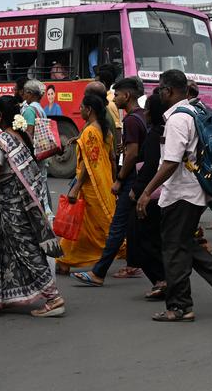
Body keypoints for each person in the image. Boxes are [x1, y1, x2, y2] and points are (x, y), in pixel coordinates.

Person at [136, 69, 212, 322]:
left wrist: (146, 192)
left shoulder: (176, 120)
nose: (158, 93)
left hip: (181, 192)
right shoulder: (195, 110)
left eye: (160, 89)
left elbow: (171, 161)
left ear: (169, 91)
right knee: (182, 244)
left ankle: (180, 307)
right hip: (193, 190)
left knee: (173, 250)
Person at [0, 95, 65, 316]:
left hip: (14, 210)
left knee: (27, 250)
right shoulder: (21, 137)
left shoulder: (2, 142)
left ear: (0, 116)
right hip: (16, 207)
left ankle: (54, 298)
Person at [72, 77, 148, 287]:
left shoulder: (131, 120)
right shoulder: (140, 117)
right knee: (134, 226)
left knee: (116, 226)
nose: (113, 99)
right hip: (139, 178)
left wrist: (119, 179)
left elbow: (130, 155)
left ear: (127, 96)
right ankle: (151, 273)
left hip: (131, 178)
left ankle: (99, 272)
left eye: (116, 94)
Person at [57, 94, 117, 272]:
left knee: (104, 227)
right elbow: (112, 158)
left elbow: (88, 164)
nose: (80, 110)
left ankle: (129, 253)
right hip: (103, 183)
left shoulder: (90, 131)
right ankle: (64, 261)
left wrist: (76, 187)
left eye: (82, 107)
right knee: (81, 225)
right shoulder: (103, 130)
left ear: (89, 110)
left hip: (92, 187)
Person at [128, 93, 169, 300]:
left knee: (144, 240)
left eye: (147, 110)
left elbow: (151, 166)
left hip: (151, 195)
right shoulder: (163, 129)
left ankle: (162, 280)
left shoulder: (155, 134)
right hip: (159, 193)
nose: (145, 113)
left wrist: (138, 190)